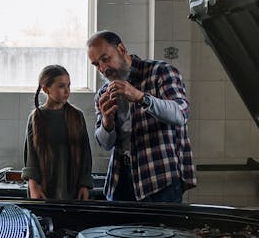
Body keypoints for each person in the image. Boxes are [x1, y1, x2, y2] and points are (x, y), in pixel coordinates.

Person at [88, 30, 195, 202]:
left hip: (159, 178)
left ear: (121, 49)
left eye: (106, 59)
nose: (103, 69)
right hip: (120, 179)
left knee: (161, 229)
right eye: (96, 64)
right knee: (115, 230)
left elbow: (181, 114)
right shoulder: (103, 92)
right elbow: (105, 144)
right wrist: (107, 124)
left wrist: (140, 97)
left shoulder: (160, 72)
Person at [22, 65, 93, 200]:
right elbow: (30, 157)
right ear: (46, 89)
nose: (67, 91)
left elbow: (86, 155)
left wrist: (85, 185)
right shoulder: (36, 118)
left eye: (68, 85)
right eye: (61, 86)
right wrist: (33, 186)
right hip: (43, 191)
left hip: (73, 192)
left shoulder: (77, 116)